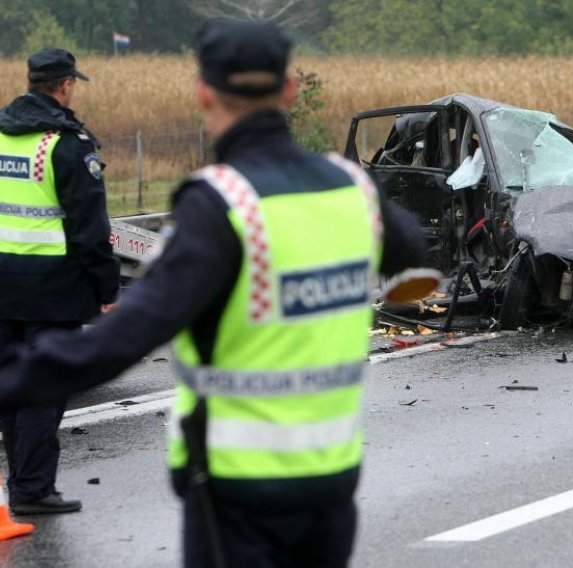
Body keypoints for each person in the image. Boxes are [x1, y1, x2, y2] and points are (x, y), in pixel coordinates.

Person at [0, 19, 426, 567]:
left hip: (237, 486)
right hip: (332, 479)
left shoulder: (222, 204)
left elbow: (117, 341)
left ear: (204, 91)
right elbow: (410, 249)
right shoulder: (351, 187)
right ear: (291, 90)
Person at [0, 48, 120, 515]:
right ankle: (31, 490)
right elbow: (90, 230)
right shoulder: (66, 143)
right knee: (44, 390)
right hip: (52, 292)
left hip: (3, 288)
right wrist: (108, 288)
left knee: (13, 388)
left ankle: (22, 485)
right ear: (66, 85)